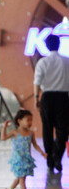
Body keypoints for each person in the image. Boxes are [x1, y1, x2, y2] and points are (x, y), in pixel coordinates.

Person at [33, 34, 69, 173]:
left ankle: (49, 159)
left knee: (47, 129)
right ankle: (57, 156)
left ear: (46, 46)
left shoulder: (42, 62)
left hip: (47, 97)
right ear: (59, 44)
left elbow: (37, 81)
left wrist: (36, 97)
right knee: (63, 130)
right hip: (63, 98)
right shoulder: (67, 61)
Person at [1, 109, 46, 189]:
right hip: (18, 158)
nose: (30, 122)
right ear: (19, 121)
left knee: (21, 177)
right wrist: (4, 128)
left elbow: (35, 144)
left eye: (31, 120)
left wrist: (42, 153)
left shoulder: (30, 133)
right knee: (22, 178)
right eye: (27, 120)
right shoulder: (14, 132)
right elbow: (3, 138)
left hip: (26, 159)